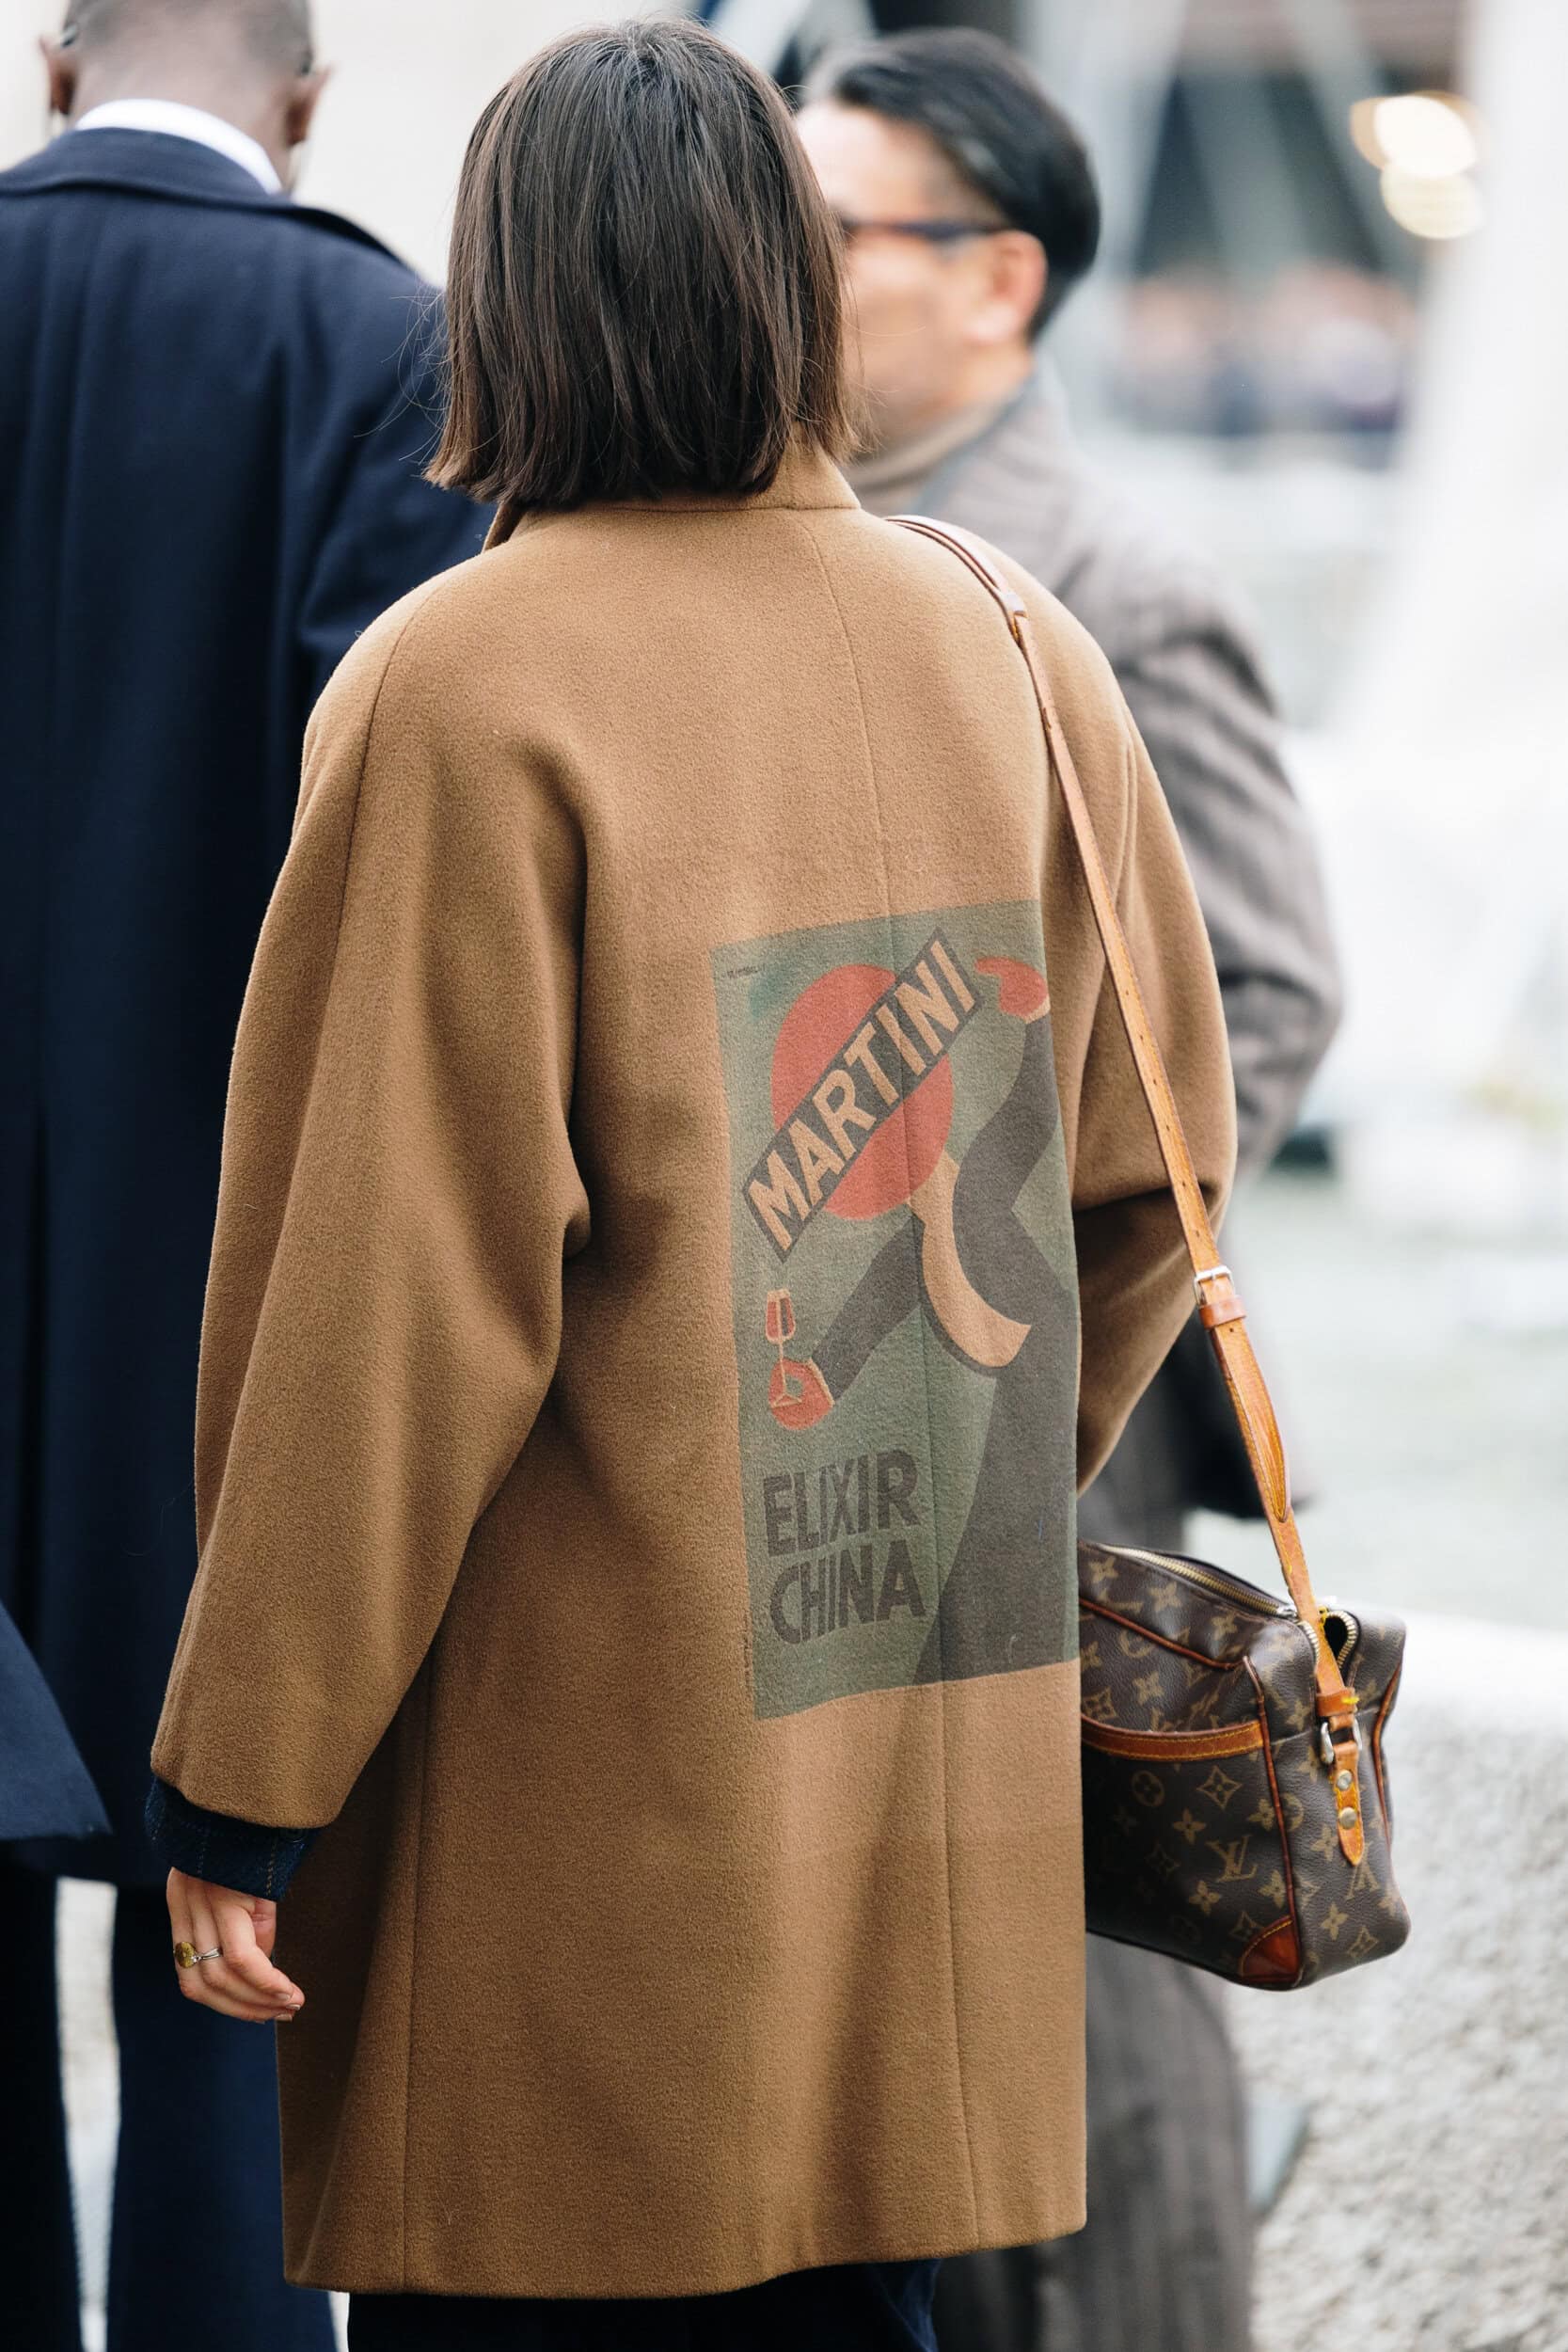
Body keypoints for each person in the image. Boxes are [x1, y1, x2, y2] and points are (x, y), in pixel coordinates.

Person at [142, 20, 1236, 2351]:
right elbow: (1161, 1169)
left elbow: (390, 1306)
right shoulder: (1010, 638)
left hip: (569, 1781)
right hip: (911, 1720)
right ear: (789, 281)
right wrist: (955, 1473)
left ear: (508, 296)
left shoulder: (462, 683)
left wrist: (244, 1778)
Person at [797, 31, 1342, 2352]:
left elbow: (1272, 989)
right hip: (844, 1401)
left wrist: (1035, 1268)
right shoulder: (801, 558)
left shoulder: (1120, 577)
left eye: (832, 231)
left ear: (998, 278)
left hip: (1061, 1409)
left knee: (1099, 1992)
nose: (781, 270)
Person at [0, 3, 485, 2345]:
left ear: (50, 72)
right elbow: (386, 852)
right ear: (305, 101)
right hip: (213, 1275)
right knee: (235, 1914)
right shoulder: (378, 343)